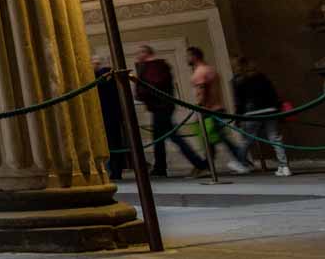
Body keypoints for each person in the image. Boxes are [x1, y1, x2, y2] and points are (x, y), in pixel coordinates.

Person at [133, 45, 209, 178]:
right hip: (160, 106)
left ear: (146, 53)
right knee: (158, 139)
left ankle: (200, 165)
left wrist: (140, 91)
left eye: (140, 52)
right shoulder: (154, 66)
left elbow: (152, 85)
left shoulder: (153, 66)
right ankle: (160, 167)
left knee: (173, 137)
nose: (138, 55)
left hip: (161, 107)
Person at [189, 46, 254, 175]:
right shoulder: (211, 70)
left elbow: (202, 89)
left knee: (216, 138)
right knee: (216, 138)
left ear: (194, 56)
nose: (187, 58)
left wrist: (200, 105)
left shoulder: (200, 72)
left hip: (208, 109)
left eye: (189, 56)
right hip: (218, 107)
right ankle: (207, 165)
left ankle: (240, 161)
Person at [231, 55, 292, 177]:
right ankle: (284, 166)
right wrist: (278, 109)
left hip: (251, 113)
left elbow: (239, 102)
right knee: (275, 138)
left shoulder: (238, 80)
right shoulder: (261, 76)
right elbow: (273, 94)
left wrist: (238, 118)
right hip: (270, 110)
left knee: (246, 140)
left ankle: (239, 162)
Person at [94, 57, 128, 182]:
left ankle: (114, 171)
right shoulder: (110, 78)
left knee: (111, 143)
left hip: (106, 115)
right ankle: (115, 170)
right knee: (114, 143)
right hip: (113, 115)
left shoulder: (100, 77)